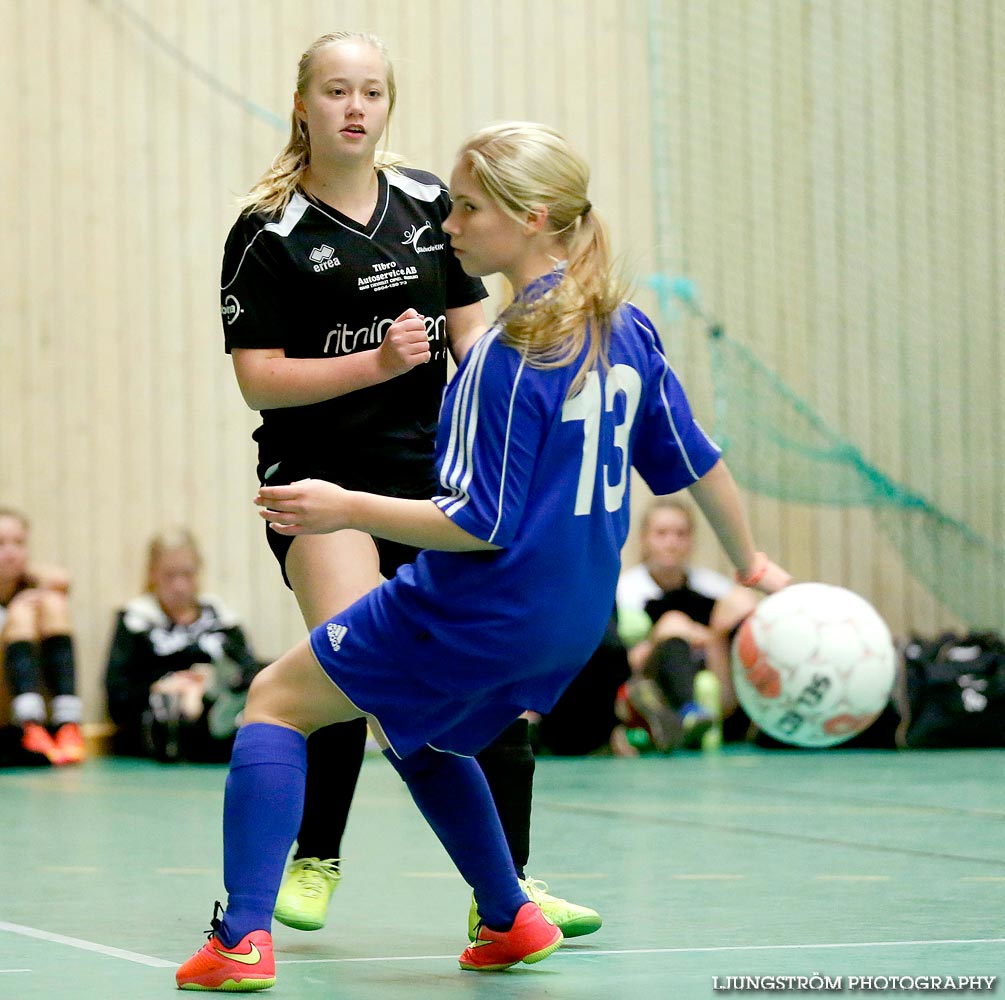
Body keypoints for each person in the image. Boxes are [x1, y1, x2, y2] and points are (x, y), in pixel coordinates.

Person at [175, 120, 791, 991]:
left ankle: (239, 940)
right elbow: (696, 461)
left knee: (276, 703)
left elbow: (477, 523)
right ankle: (506, 917)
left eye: (465, 208)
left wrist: (339, 506)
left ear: (531, 218)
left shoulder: (505, 352)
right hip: (572, 619)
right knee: (419, 726)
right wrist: (754, 563)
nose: (447, 226)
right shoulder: (628, 329)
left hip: (484, 605)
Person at [218, 30, 598, 944]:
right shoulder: (266, 231)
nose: (356, 107)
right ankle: (316, 857)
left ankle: (503, 888)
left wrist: (508, 429)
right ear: (302, 103)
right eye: (338, 91)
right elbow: (257, 378)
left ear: (389, 105)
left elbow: (474, 339)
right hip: (322, 485)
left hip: (433, 483)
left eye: (373, 92)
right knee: (356, 666)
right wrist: (378, 365)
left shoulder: (432, 202)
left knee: (474, 683)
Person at [104, 528, 264, 763]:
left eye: (187, 574)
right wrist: (165, 685)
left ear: (199, 572)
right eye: (169, 575)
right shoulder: (136, 621)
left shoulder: (222, 620)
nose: (179, 586)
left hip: (221, 706)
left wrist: (206, 682)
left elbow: (251, 675)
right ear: (152, 574)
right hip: (161, 724)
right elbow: (117, 695)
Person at [613, 496, 759, 752]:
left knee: (740, 603)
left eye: (681, 534)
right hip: (648, 682)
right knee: (673, 624)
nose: (672, 543)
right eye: (662, 534)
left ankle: (748, 714)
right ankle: (685, 713)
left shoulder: (712, 587)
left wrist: (712, 635)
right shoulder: (626, 591)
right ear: (644, 539)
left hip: (715, 678)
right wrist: (669, 633)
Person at [0, 507, 85, 766]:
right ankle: (29, 723)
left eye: (19, 543)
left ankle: (67, 722)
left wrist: (29, 582)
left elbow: (62, 579)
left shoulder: (30, 583)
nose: (11, 552)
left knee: (54, 604)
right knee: (22, 614)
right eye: (1, 544)